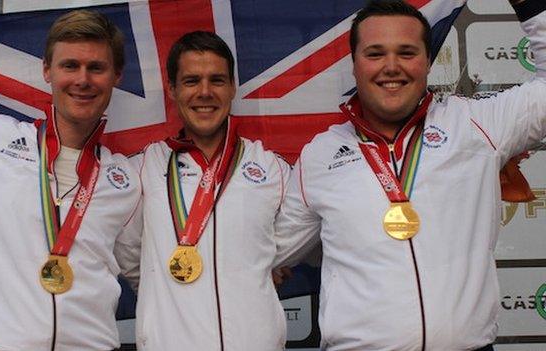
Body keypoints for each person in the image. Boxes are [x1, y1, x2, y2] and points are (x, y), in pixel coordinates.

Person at [274, 0, 546, 350]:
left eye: (406, 52)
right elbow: (267, 251)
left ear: (427, 62)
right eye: (375, 54)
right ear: (354, 65)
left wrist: (530, 5)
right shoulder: (320, 155)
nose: (391, 67)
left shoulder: (478, 125)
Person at [0, 10, 141, 351]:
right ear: (46, 71)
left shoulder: (125, 179)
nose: (82, 79)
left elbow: (151, 275)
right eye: (70, 66)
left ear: (117, 77)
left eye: (96, 68)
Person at [116, 31, 291, 350]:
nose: (205, 92)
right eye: (192, 80)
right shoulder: (143, 168)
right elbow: (129, 255)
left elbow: (301, 235)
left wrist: (254, 263)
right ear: (172, 89)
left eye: (217, 80)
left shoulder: (270, 168)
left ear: (233, 87)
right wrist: (164, 288)